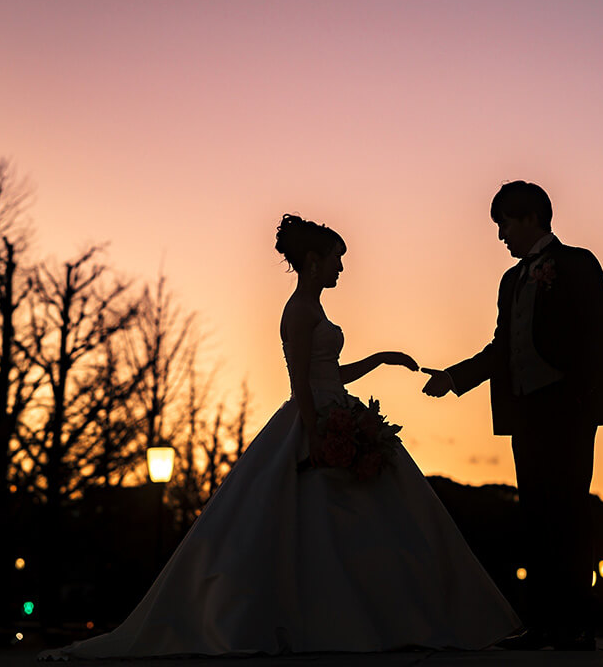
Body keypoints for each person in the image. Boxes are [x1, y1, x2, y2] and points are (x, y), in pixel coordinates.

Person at [39, 214, 520, 660]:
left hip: (337, 411)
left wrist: (380, 360)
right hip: (315, 420)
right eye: (337, 259)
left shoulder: (314, 308)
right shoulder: (297, 312)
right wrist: (315, 436)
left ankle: (379, 619)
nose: (341, 268)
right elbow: (301, 384)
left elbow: (329, 372)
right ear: (313, 261)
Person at [421, 181, 603, 651]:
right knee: (534, 515)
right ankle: (542, 624)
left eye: (504, 224)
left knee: (569, 512)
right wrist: (455, 378)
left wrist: (576, 392)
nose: (500, 236)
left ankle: (576, 624)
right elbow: (502, 348)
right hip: (526, 412)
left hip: (568, 411)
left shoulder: (578, 263)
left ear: (530, 217)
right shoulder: (510, 282)